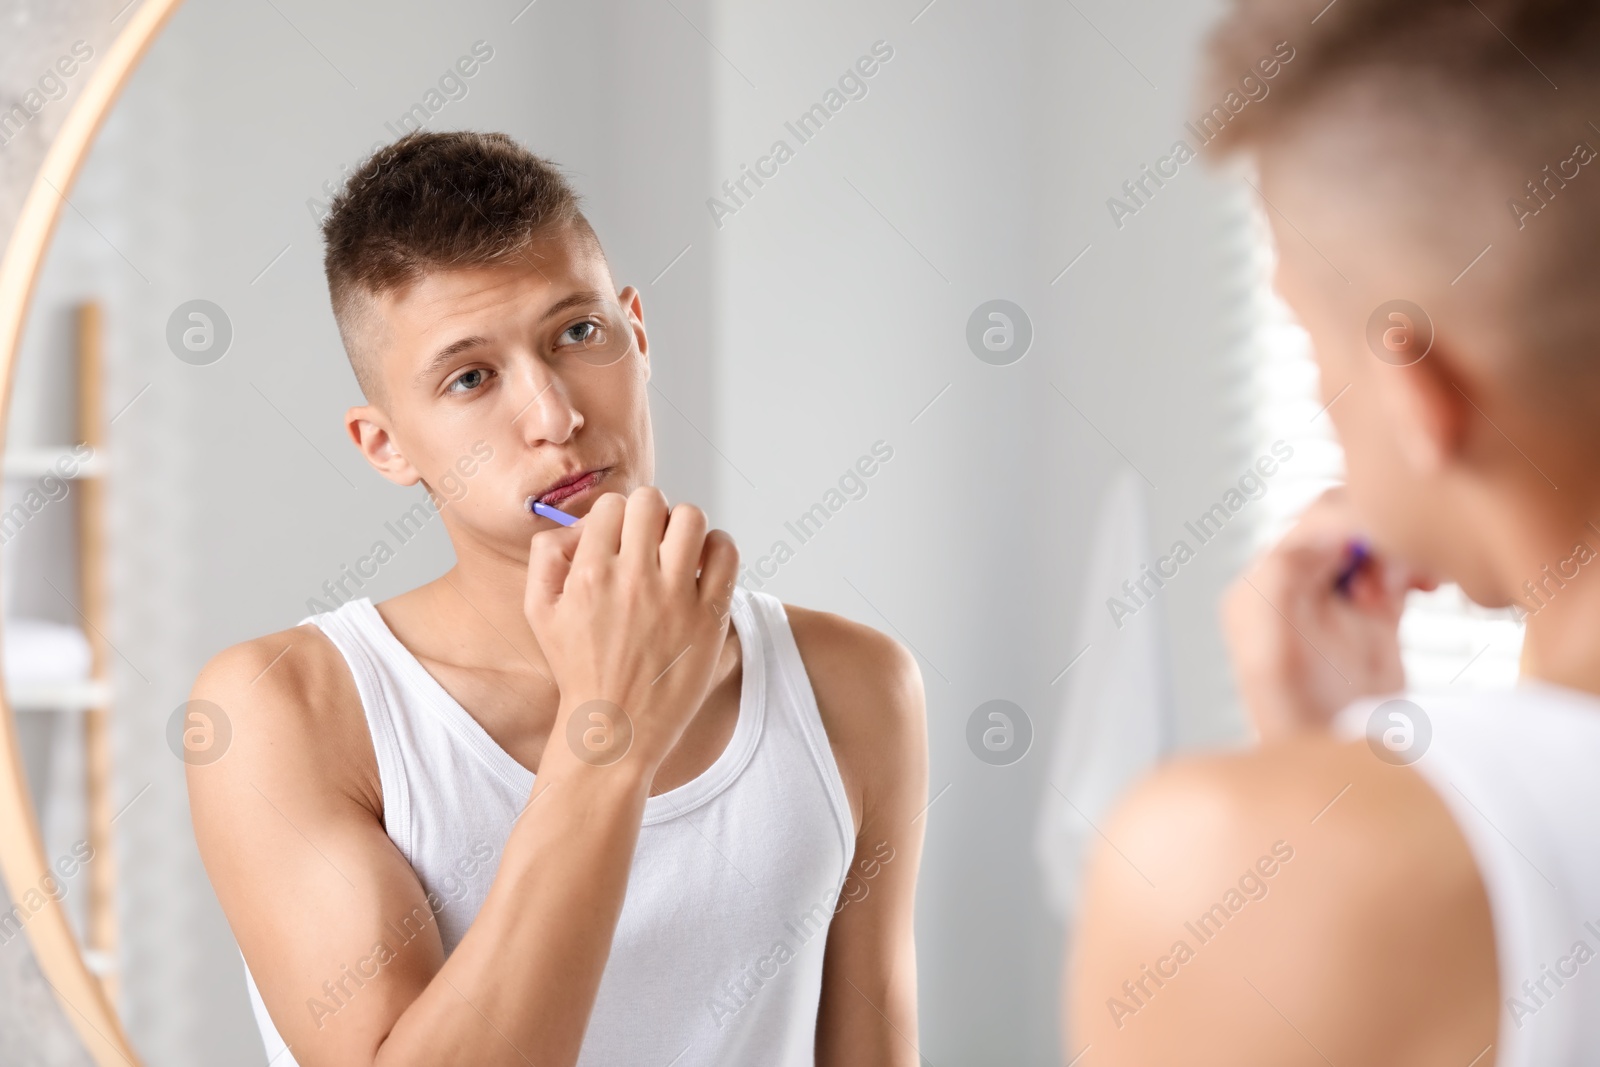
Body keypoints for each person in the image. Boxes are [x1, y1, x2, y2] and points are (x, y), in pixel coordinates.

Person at [185, 131, 927, 1067]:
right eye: (471, 377)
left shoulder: (854, 684)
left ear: (637, 332)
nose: (556, 417)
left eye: (577, 333)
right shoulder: (285, 708)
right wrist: (608, 728)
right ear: (387, 445)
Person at [1069, 1, 1600, 1064]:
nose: (1321, 400)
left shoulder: (1218, 861)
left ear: (1417, 388)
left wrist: (1315, 801)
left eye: (1309, 336)